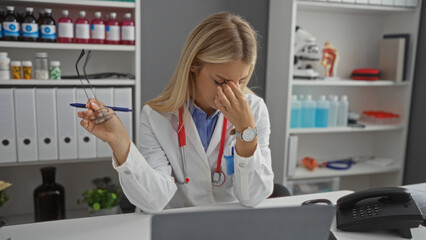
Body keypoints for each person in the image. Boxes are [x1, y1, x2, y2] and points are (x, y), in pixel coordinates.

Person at [78, 11, 274, 213]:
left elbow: (253, 197)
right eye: (220, 81)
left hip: (229, 226)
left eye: (240, 82)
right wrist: (119, 141)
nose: (230, 92)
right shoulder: (156, 116)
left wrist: (246, 131)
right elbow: (154, 201)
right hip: (175, 227)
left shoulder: (254, 110)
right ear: (194, 65)